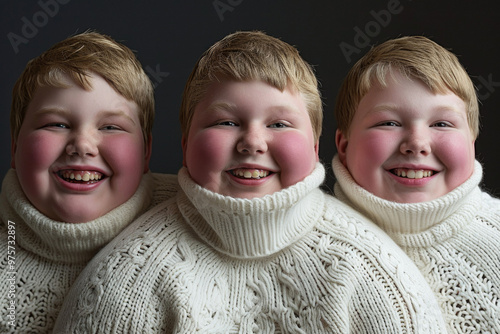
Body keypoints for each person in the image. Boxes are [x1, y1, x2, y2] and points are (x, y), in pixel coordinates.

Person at [54, 31, 446, 333]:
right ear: (186, 142)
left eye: (279, 123)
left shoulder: (368, 267)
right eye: (226, 122)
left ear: (314, 145)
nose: (252, 142)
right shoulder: (129, 274)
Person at [0, 31, 178, 333]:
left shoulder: (191, 218)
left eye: (111, 127)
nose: (82, 145)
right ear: (15, 146)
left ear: (146, 152)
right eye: (56, 124)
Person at [333, 35, 500, 332]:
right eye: (389, 123)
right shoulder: (313, 250)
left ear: (471, 142)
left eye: (441, 124)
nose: (417, 144)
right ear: (344, 145)